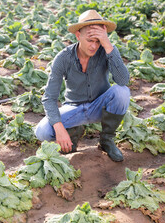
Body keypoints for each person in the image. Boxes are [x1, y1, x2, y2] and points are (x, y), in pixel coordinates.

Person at [34, 10, 130, 162]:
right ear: (78, 36)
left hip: (100, 107)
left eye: (97, 41)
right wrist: (60, 129)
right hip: (74, 107)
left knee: (122, 92)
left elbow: (123, 80)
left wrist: (107, 44)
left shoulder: (106, 50)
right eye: (90, 40)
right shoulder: (63, 58)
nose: (94, 46)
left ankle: (106, 140)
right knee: (43, 131)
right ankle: (74, 130)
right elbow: (49, 98)